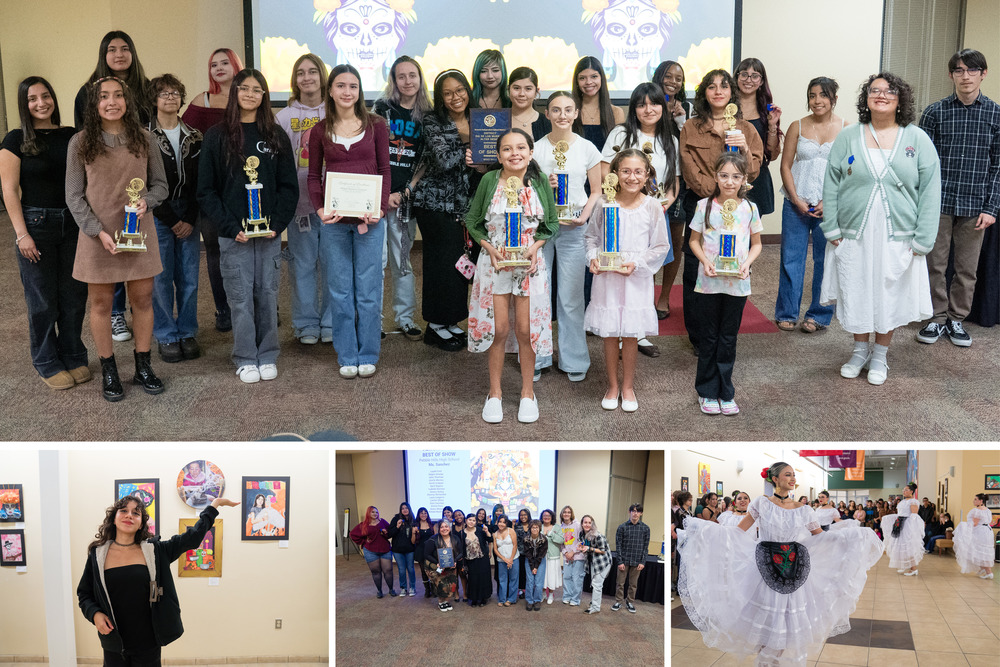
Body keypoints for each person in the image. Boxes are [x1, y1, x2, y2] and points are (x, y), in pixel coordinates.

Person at [677, 462, 884, 667]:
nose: (793, 478)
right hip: (763, 563)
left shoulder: (803, 510)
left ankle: (771, 661)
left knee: (786, 620)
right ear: (775, 479)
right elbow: (738, 531)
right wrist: (702, 531)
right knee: (765, 617)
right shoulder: (761, 503)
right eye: (787, 475)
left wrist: (849, 537)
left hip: (794, 567)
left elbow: (820, 537)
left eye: (794, 475)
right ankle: (766, 659)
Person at [820, 73, 942, 386]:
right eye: (875, 90)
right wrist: (831, 225)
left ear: (901, 99)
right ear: (866, 98)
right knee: (858, 288)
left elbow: (930, 191)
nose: (881, 95)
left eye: (889, 91)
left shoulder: (917, 139)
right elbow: (831, 183)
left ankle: (880, 355)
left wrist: (924, 237)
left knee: (888, 293)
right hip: (854, 231)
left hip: (896, 234)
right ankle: (860, 350)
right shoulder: (849, 136)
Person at [66, 77, 169, 402]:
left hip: (138, 232)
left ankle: (143, 365)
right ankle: (109, 369)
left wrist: (146, 202)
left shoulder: (146, 139)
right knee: (100, 304)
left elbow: (160, 186)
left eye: (119, 95)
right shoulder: (80, 142)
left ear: (128, 100)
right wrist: (96, 231)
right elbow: (73, 196)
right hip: (98, 237)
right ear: (94, 104)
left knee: (142, 300)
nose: (112, 102)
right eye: (104, 97)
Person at [198, 69, 297, 384]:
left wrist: (278, 224)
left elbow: (288, 187)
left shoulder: (275, 135)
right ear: (235, 91)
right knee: (239, 297)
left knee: (267, 294)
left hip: (267, 234)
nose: (251, 94)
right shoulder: (217, 136)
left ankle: (267, 354)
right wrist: (228, 226)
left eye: (258, 90)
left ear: (265, 95)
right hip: (234, 235)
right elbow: (206, 190)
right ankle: (244, 357)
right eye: (245, 88)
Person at [1, 77, 89, 390]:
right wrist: (21, 234)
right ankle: (46, 361)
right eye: (33, 99)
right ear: (24, 105)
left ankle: (73, 353)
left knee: (74, 297)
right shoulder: (14, 139)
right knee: (42, 300)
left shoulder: (71, 136)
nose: (41, 103)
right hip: (35, 225)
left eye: (46, 96)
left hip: (72, 224)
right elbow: (9, 190)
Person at [77, 493, 238, 664]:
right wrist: (95, 614)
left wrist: (214, 506)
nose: (129, 515)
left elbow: (192, 538)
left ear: (141, 524)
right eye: (124, 510)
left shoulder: (156, 551)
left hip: (148, 641)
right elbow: (84, 594)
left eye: (136, 513)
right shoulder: (98, 555)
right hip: (113, 640)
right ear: (114, 519)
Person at [467, 129, 558, 423]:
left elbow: (552, 224)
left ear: (531, 152)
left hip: (530, 265)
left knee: (525, 330)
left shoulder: (540, 181)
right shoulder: (489, 181)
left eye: (521, 147)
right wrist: (488, 247)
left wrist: (536, 246)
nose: (514, 153)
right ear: (498, 156)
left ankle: (527, 393)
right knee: (499, 329)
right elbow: (473, 220)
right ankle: (494, 393)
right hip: (495, 264)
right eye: (507, 149)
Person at [308, 64, 390, 379]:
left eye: (353, 86)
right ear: (330, 91)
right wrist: (319, 210)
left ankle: (367, 352)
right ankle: (347, 354)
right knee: (340, 290)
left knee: (368, 291)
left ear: (359, 91)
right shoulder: (319, 129)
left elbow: (385, 170)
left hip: (370, 222)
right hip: (334, 223)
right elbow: (314, 176)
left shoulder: (376, 125)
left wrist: (381, 209)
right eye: (340, 85)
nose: (347, 92)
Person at [917, 49, 1000, 347]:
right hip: (938, 204)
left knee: (966, 269)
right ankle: (937, 318)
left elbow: (999, 166)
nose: (966, 76)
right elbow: (920, 164)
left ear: (983, 74)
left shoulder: (996, 114)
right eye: (960, 70)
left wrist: (992, 208)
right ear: (951, 75)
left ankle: (956, 319)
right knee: (934, 265)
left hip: (976, 206)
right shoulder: (934, 112)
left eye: (972, 70)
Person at [74, 31, 152, 346]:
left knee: (143, 291)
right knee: (103, 294)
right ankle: (115, 326)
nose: (119, 54)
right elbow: (76, 186)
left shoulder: (145, 94)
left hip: (135, 209)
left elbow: (156, 178)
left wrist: (149, 199)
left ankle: (143, 356)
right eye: (111, 49)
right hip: (100, 212)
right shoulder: (85, 100)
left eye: (124, 49)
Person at [680, 69, 763, 350]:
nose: (718, 91)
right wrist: (715, 196)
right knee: (696, 268)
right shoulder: (690, 127)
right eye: (712, 86)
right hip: (703, 204)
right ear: (704, 92)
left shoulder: (746, 129)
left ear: (731, 93)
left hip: (737, 205)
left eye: (724, 86)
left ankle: (724, 331)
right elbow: (688, 167)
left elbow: (752, 171)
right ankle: (699, 337)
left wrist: (741, 150)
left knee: (730, 267)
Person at [586, 149, 670, 412]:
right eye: (625, 171)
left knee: (631, 334)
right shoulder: (603, 203)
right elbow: (591, 238)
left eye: (638, 172)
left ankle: (628, 387)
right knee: (610, 333)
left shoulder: (653, 206)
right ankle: (612, 385)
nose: (631, 177)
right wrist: (593, 258)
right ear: (615, 175)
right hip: (608, 277)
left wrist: (637, 264)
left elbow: (660, 247)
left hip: (635, 277)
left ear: (647, 175)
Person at [601, 81, 680, 349]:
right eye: (641, 104)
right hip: (621, 211)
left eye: (654, 103)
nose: (648, 109)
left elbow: (673, 181)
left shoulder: (671, 139)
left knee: (646, 267)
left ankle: (638, 328)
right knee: (620, 264)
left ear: (663, 107)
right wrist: (623, 198)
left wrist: (665, 203)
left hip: (654, 211)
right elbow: (605, 171)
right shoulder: (620, 135)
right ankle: (617, 325)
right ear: (633, 108)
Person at [532, 92, 603, 382]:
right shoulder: (535, 149)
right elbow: (527, 192)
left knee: (571, 296)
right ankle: (538, 356)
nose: (562, 115)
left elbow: (597, 190)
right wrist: (543, 186)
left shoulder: (587, 149)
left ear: (576, 114)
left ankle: (573, 358)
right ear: (546, 114)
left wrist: (584, 216)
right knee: (539, 293)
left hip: (575, 228)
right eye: (556, 110)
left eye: (568, 110)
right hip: (542, 229)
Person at [689, 152, 763, 415]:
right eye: (724, 176)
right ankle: (707, 392)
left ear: (744, 179)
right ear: (715, 176)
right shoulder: (703, 206)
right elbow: (694, 241)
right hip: (709, 282)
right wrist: (705, 261)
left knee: (729, 337)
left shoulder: (750, 209)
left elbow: (757, 245)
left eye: (735, 177)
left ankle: (725, 391)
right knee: (709, 337)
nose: (729, 182)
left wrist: (746, 264)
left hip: (737, 284)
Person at [182, 48, 245, 333]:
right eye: (213, 64)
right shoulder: (201, 101)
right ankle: (223, 309)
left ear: (236, 66)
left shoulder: (249, 98)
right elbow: (181, 138)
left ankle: (258, 304)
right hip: (210, 192)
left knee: (250, 248)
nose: (218, 68)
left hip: (245, 189)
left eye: (224, 63)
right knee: (215, 251)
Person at [776, 76, 846, 333]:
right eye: (812, 95)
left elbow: (848, 171)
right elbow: (785, 165)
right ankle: (787, 312)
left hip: (828, 205)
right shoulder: (797, 125)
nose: (817, 101)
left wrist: (831, 202)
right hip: (796, 202)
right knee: (791, 259)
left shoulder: (846, 128)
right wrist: (795, 198)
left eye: (823, 95)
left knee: (824, 260)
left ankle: (819, 315)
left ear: (834, 99)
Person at [411, 70, 474, 351]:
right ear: (440, 97)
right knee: (439, 262)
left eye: (460, 90)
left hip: (462, 204)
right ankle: (434, 326)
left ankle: (450, 321)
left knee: (458, 263)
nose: (455, 97)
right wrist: (470, 146)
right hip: (433, 204)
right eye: (447, 93)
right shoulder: (432, 120)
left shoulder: (478, 118)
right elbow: (444, 160)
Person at [372, 55, 430, 342]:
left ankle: (405, 318)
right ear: (393, 81)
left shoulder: (427, 114)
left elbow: (426, 160)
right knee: (376, 260)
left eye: (413, 75)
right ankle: (374, 320)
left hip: (405, 199)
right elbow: (371, 152)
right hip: (378, 196)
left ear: (420, 79)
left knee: (402, 260)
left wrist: (407, 190)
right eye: (401, 76)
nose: (408, 81)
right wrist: (385, 193)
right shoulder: (382, 109)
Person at [276, 53, 332, 346]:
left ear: (323, 76)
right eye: (300, 73)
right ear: (294, 80)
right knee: (303, 264)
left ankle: (331, 321)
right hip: (300, 204)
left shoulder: (336, 111)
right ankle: (306, 323)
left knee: (333, 264)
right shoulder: (283, 117)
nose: (307, 77)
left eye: (313, 71)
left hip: (334, 202)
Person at [146, 74, 203, 364]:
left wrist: (190, 217)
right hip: (158, 213)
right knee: (161, 277)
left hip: (190, 213)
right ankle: (167, 334)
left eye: (175, 93)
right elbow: (142, 182)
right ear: (154, 99)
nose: (170, 98)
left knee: (190, 277)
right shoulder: (143, 136)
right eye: (164, 93)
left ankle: (188, 330)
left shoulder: (195, 135)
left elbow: (200, 182)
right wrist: (170, 218)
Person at [653, 60, 694, 317]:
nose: (673, 82)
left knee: (674, 242)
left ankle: (664, 297)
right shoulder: (649, 102)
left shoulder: (687, 108)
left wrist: (681, 120)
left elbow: (689, 143)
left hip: (677, 181)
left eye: (678, 78)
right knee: (646, 241)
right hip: (648, 183)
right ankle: (644, 292)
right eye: (669, 76)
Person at [734, 58, 782, 217]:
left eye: (755, 76)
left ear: (761, 81)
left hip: (756, 179)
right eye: (744, 75)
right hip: (728, 176)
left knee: (750, 234)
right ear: (737, 77)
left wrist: (772, 125)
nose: (749, 80)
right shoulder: (725, 107)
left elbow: (772, 155)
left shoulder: (767, 111)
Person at [572, 56, 625, 155]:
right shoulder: (570, 112)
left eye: (594, 76)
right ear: (577, 82)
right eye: (582, 78)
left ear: (602, 78)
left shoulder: (616, 112)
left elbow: (620, 151)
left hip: (607, 169)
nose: (588, 82)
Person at [349, 506, 396, 597]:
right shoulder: (363, 525)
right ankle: (379, 591)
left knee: (388, 570)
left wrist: (386, 533)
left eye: (376, 512)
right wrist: (363, 542)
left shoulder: (383, 522)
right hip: (370, 551)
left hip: (385, 550)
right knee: (376, 572)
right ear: (368, 513)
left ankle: (391, 589)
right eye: (373, 512)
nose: (375, 514)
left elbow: (390, 533)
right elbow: (353, 534)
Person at [611, 503, 649, 613]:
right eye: (633, 511)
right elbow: (618, 546)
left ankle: (630, 601)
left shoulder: (645, 528)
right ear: (629, 512)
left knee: (633, 584)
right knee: (620, 583)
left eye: (638, 511)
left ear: (641, 513)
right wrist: (620, 561)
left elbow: (645, 547)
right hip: (624, 560)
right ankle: (618, 601)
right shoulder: (622, 527)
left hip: (637, 561)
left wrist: (643, 562)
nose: (635, 513)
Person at [881, 482, 924, 576]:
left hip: (907, 526)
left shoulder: (913, 501)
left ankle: (913, 569)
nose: (904, 491)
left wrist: (913, 529)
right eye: (903, 490)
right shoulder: (902, 501)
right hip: (899, 524)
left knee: (908, 546)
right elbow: (900, 513)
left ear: (911, 491)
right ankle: (904, 565)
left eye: (906, 490)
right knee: (900, 546)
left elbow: (914, 515)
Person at [424, 518, 464, 612]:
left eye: (446, 526)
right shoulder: (433, 539)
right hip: (435, 566)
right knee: (441, 584)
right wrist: (437, 563)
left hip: (451, 566)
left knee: (451, 584)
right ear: (439, 529)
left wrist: (455, 561)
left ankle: (446, 601)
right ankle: (441, 602)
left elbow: (461, 553)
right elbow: (426, 554)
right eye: (442, 527)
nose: (444, 529)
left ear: (450, 528)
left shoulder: (455, 538)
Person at [578, 514, 611, 615]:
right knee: (595, 584)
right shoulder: (582, 534)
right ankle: (595, 602)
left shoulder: (597, 535)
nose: (587, 524)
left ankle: (596, 607)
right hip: (593, 561)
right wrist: (582, 549)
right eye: (585, 522)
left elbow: (603, 551)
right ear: (582, 524)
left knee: (597, 585)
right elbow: (585, 547)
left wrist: (589, 549)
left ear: (592, 524)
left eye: (589, 522)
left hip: (602, 562)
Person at [508, 67, 551, 141]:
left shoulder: (547, 122)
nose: (522, 94)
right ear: (508, 89)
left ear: (536, 92)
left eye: (528, 89)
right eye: (516, 88)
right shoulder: (498, 120)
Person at [461, 512, 493, 606]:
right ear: (466, 521)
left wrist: (487, 531)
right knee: (473, 579)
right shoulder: (462, 533)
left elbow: (490, 540)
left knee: (483, 578)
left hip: (482, 559)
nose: (471, 522)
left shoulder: (480, 530)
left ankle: (483, 598)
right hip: (470, 560)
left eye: (473, 520)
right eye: (470, 520)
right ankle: (474, 599)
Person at [385, 502, 417, 597]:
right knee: (401, 570)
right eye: (402, 508)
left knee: (411, 569)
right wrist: (397, 527)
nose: (405, 510)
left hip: (410, 549)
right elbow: (389, 534)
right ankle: (403, 588)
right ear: (400, 510)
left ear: (409, 509)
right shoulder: (395, 519)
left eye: (406, 508)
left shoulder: (413, 520)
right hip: (397, 550)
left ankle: (412, 587)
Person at [559, 505, 585, 606]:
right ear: (562, 514)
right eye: (564, 512)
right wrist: (566, 552)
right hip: (567, 557)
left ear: (571, 514)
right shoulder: (560, 527)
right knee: (566, 577)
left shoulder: (578, 525)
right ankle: (567, 596)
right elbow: (561, 543)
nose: (566, 514)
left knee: (576, 579)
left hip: (578, 556)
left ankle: (575, 599)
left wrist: (573, 552)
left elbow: (582, 541)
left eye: (568, 512)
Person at [492, 514, 519, 607]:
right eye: (500, 522)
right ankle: (502, 599)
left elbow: (515, 545)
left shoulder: (511, 531)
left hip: (514, 559)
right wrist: (504, 559)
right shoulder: (495, 534)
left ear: (506, 523)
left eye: (504, 522)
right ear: (497, 522)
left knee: (513, 579)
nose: (501, 524)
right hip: (501, 560)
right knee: (502, 580)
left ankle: (511, 599)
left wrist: (510, 559)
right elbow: (495, 549)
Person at [521, 519, 548, 611]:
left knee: (538, 582)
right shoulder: (526, 539)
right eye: (533, 527)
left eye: (536, 527)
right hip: (529, 560)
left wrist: (536, 567)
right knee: (530, 581)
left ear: (539, 528)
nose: (534, 529)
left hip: (540, 561)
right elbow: (527, 554)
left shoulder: (544, 539)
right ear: (530, 528)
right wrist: (532, 567)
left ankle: (537, 600)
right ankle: (530, 601)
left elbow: (541, 555)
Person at [539, 508, 564, 604]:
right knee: (543, 576)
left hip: (553, 556)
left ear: (551, 517)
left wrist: (550, 534)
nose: (546, 517)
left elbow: (561, 540)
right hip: (541, 556)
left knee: (551, 576)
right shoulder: (539, 526)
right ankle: (543, 594)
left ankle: (550, 595)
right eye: (544, 516)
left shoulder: (557, 528)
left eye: (548, 516)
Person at [414, 507, 436, 597]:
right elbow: (413, 541)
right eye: (421, 513)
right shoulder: (416, 526)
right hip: (420, 551)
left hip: (431, 552)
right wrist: (413, 533)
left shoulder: (432, 525)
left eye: (425, 513)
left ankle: (434, 589)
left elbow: (435, 538)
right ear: (419, 515)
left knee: (433, 570)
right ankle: (427, 590)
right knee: (424, 571)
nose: (423, 515)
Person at [513, 509, 533, 599]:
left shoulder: (533, 525)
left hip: (530, 553)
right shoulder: (517, 526)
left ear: (528, 515)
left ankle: (529, 589)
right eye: (521, 515)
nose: (523, 517)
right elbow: (513, 537)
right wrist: (513, 526)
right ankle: (521, 590)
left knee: (529, 572)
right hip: (519, 553)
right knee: (521, 572)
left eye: (525, 515)